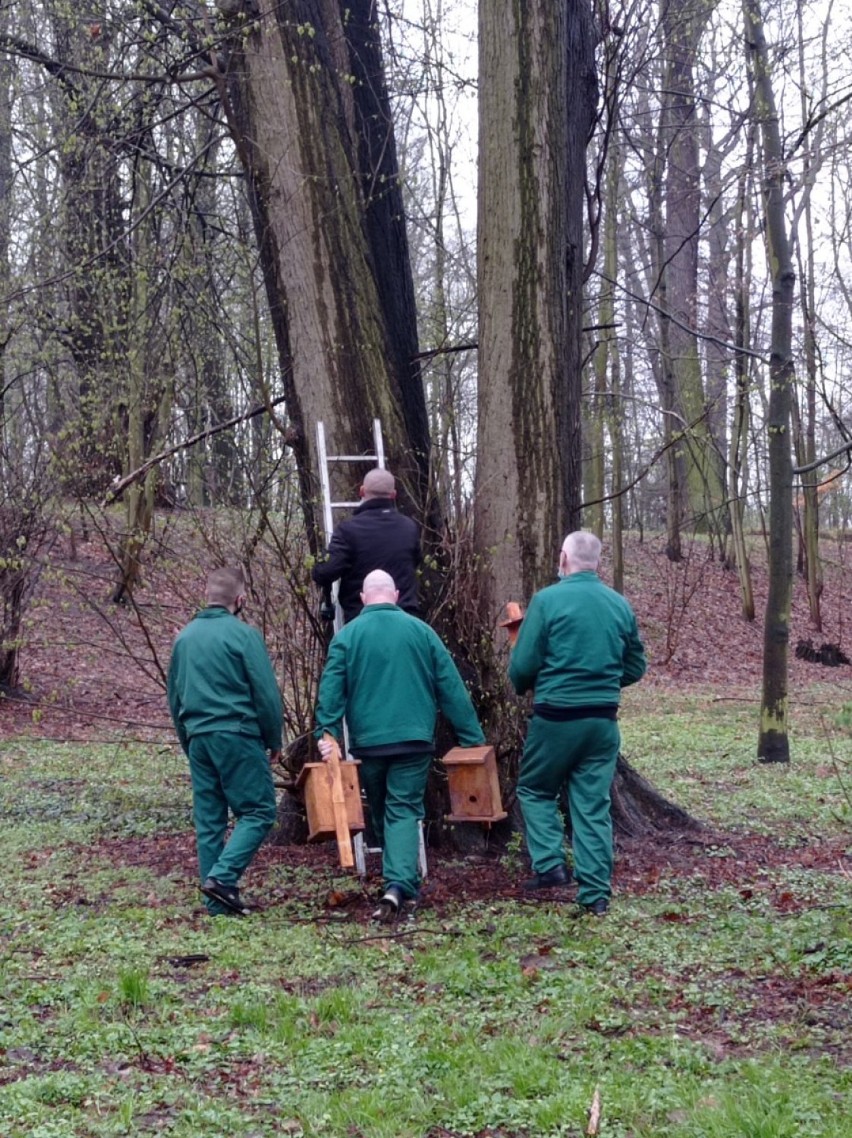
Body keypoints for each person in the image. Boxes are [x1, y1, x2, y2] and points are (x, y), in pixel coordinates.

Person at [314, 569, 485, 921]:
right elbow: (450, 687)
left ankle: (397, 884)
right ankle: (400, 886)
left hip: (369, 743)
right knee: (403, 810)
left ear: (363, 598)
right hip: (414, 739)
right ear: (395, 594)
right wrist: (472, 739)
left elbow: (331, 691)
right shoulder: (422, 632)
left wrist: (327, 734)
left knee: (381, 809)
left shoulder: (347, 637)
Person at [508, 531, 646, 916]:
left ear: (562, 558)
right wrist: (602, 680)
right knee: (591, 806)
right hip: (603, 721)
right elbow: (636, 665)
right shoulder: (619, 605)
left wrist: (523, 684)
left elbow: (522, 665)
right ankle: (596, 895)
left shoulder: (547, 601)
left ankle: (550, 864)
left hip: (555, 718)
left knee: (534, 789)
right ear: (597, 561)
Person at [167, 567, 282, 917]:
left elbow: (174, 697)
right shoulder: (244, 636)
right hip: (237, 733)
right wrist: (274, 737)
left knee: (210, 820)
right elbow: (265, 693)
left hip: (199, 737)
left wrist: (188, 740)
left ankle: (216, 906)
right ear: (240, 599)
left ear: (207, 596)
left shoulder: (184, 639)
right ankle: (221, 878)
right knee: (260, 810)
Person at [311, 467, 422, 623]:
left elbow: (326, 573)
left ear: (362, 491)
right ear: (394, 495)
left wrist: (319, 565)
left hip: (363, 622)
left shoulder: (348, 531)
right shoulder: (409, 528)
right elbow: (416, 562)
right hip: (406, 620)